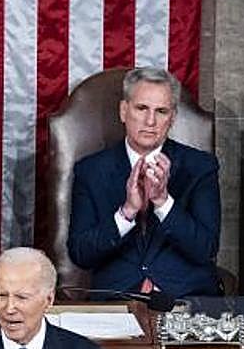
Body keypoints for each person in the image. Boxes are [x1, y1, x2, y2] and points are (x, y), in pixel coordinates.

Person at [67, 66, 222, 300]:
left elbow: (206, 249)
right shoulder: (91, 171)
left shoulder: (199, 167)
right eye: (142, 108)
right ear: (123, 111)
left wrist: (163, 203)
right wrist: (126, 213)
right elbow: (81, 254)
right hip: (116, 299)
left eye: (161, 111)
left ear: (172, 118)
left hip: (185, 297)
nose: (150, 121)